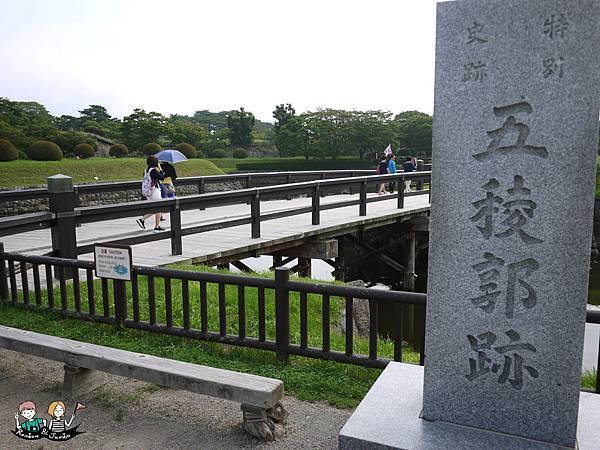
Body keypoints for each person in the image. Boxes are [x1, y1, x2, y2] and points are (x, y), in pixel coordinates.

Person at [136, 156, 165, 233]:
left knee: (155, 208)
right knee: (159, 208)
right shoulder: (153, 171)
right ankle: (156, 227)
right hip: (154, 190)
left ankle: (142, 220)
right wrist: (160, 169)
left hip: (148, 192)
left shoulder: (146, 170)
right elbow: (162, 178)